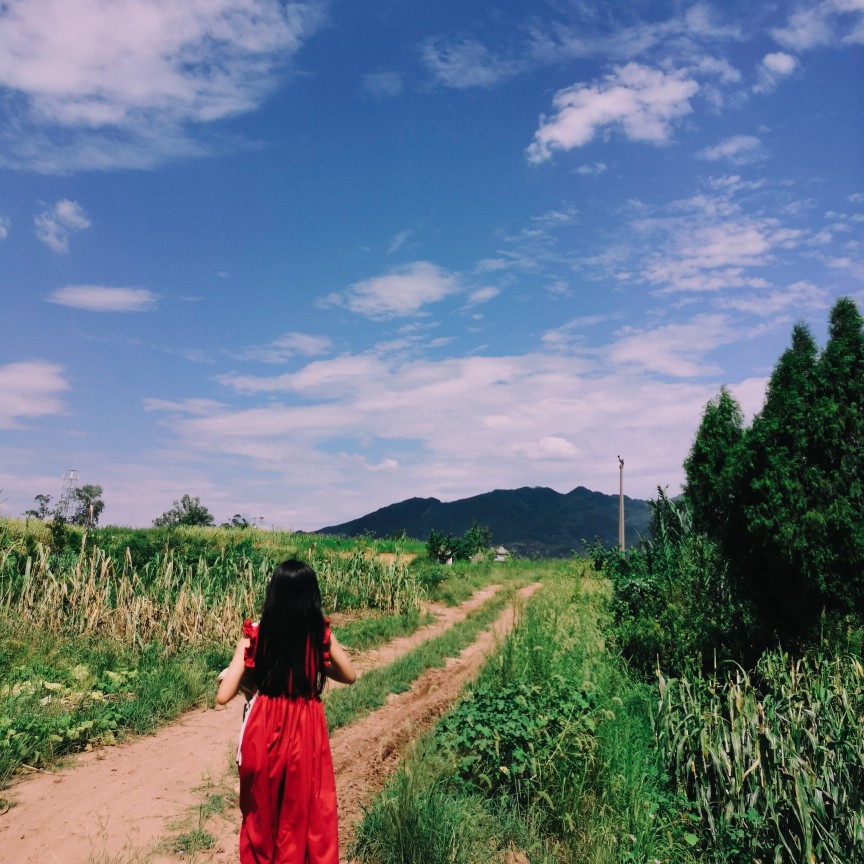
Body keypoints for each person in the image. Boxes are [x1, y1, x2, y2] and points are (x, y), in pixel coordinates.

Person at [216, 559, 357, 864]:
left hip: (264, 724)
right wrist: (318, 664)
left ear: (274, 592)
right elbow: (350, 674)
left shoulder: (255, 633)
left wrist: (245, 676)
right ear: (311, 595)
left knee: (261, 811)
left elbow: (222, 695)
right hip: (306, 727)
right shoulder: (318, 633)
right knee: (304, 810)